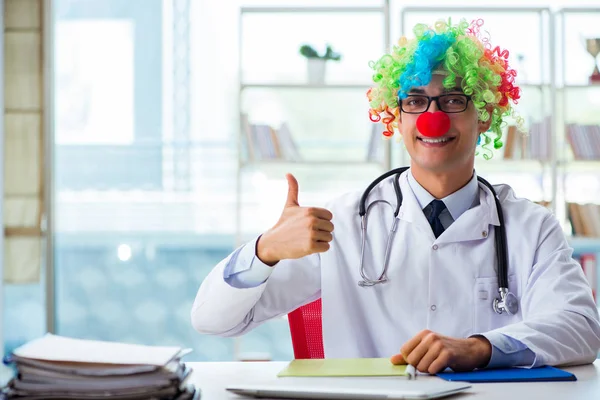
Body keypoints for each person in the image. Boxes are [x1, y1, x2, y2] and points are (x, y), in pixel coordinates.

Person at [191, 18, 600, 373]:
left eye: (454, 100)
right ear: (396, 116)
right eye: (416, 101)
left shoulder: (531, 226)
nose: (432, 117)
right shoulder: (341, 223)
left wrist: (480, 348)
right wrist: (265, 251)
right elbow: (213, 320)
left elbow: (581, 327)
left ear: (486, 114)